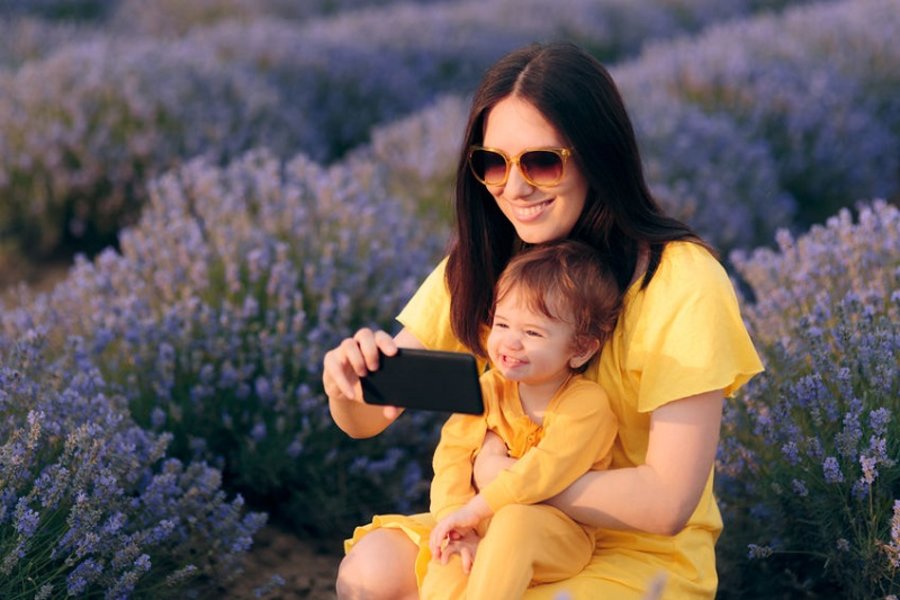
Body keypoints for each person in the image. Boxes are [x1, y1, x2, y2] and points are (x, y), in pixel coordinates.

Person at [323, 41, 764, 599]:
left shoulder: (681, 281)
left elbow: (668, 503)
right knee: (370, 573)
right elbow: (369, 418)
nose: (515, 187)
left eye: (541, 162)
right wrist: (346, 382)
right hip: (492, 521)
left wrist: (506, 483)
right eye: (492, 163)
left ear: (597, 157)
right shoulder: (483, 262)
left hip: (633, 551)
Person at [347, 240, 622, 599]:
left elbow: (544, 471)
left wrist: (476, 510)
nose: (510, 342)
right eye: (502, 324)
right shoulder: (489, 388)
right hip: (482, 521)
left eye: (533, 332)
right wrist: (456, 518)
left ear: (581, 348)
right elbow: (453, 457)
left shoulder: (586, 405)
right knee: (448, 549)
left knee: (515, 522)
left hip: (559, 536)